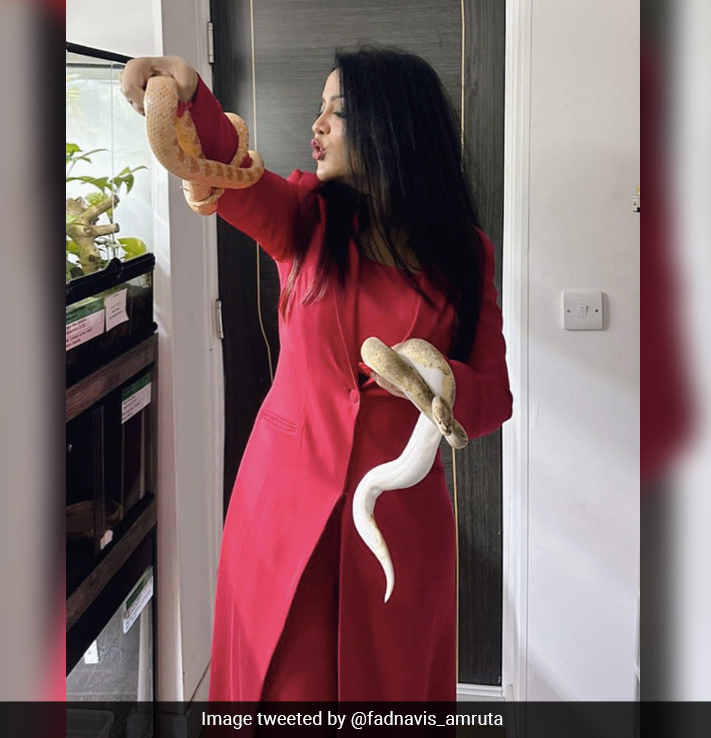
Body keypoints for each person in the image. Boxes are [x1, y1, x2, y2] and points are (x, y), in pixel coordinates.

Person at [120, 47, 512, 702]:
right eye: (319, 107)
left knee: (388, 689)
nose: (318, 123)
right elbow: (228, 169)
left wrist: (437, 378)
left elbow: (494, 395)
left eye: (340, 109)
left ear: (396, 123)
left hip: (396, 512)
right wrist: (188, 95)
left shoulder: (467, 253)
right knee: (283, 688)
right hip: (283, 503)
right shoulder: (305, 215)